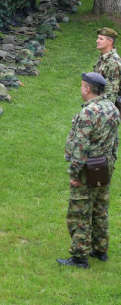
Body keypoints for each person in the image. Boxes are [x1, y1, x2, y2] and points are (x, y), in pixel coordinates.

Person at [59, 72, 120, 269]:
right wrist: (111, 164)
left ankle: (80, 256)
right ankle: (100, 250)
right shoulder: (112, 108)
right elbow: (115, 142)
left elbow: (80, 147)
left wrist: (75, 174)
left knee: (80, 212)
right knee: (100, 209)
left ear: (87, 89)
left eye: (81, 86)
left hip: (88, 169)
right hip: (104, 167)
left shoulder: (88, 113)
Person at [93, 27, 121, 102]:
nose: (97, 41)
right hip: (101, 99)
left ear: (110, 42)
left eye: (101, 39)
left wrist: (90, 102)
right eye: (98, 38)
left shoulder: (113, 62)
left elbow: (111, 95)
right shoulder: (103, 57)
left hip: (110, 105)